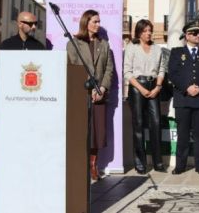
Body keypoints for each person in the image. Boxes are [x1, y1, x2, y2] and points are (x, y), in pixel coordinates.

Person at [66, 10, 114, 180]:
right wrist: (87, 87)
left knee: (97, 131)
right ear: (86, 22)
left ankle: (93, 164)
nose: (98, 24)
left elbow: (109, 69)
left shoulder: (105, 44)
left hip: (99, 95)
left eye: (99, 21)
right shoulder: (74, 43)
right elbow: (71, 67)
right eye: (95, 21)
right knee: (80, 131)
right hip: (80, 94)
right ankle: (79, 164)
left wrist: (102, 88)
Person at [168, 21, 199, 175]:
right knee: (182, 135)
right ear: (187, 36)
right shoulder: (176, 52)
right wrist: (187, 88)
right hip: (183, 99)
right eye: (194, 33)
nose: (198, 36)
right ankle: (180, 166)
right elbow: (173, 74)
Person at [123, 19, 166, 174]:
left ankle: (157, 161)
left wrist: (158, 87)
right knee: (138, 124)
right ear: (139, 32)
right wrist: (141, 89)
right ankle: (140, 162)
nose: (148, 33)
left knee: (155, 123)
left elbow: (161, 69)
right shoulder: (131, 47)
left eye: (150, 30)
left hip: (154, 86)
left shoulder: (157, 49)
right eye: (145, 31)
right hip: (137, 86)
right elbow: (127, 72)